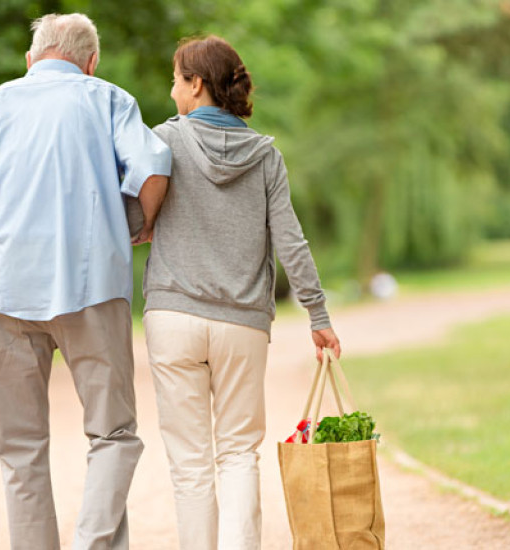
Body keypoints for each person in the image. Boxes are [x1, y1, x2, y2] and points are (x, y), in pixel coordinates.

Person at [0, 13, 170, 550]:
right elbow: (155, 168)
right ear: (91, 60)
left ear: (31, 59)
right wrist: (143, 222)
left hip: (8, 293)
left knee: (20, 447)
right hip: (93, 290)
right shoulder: (108, 99)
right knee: (112, 435)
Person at [140, 35, 341, 550]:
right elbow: (290, 241)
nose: (171, 91)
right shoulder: (265, 156)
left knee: (190, 464)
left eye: (176, 80)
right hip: (242, 325)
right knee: (237, 454)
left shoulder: (163, 141)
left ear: (196, 84)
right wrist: (317, 315)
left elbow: (133, 216)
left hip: (174, 315)